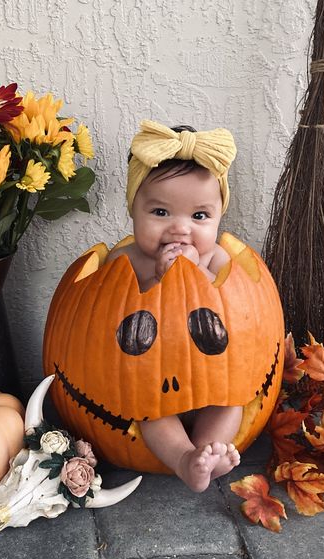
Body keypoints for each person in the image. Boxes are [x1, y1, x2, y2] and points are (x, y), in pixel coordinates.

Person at [106, 120, 242, 492]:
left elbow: (235, 310)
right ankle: (183, 459)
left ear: (218, 217)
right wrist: (158, 280)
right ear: (133, 210)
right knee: (149, 415)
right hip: (151, 383)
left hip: (212, 379)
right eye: (161, 213)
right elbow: (114, 312)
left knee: (232, 403)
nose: (180, 229)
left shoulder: (218, 260)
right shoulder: (126, 262)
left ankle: (207, 453)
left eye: (199, 216)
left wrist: (195, 274)